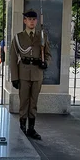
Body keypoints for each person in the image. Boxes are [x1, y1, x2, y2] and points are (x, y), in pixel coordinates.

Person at [9, 9, 51, 140]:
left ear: (36, 21)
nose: (32, 22)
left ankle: (31, 128)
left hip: (37, 73)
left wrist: (46, 63)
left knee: (34, 102)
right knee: (24, 102)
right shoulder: (18, 37)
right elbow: (12, 58)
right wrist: (15, 78)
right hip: (24, 73)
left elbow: (48, 55)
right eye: (29, 19)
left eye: (34, 19)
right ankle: (22, 127)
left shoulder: (42, 36)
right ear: (24, 21)